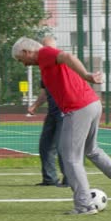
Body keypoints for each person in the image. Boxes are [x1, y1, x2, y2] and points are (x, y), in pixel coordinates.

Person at [12, 37, 111, 215]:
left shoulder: (44, 53)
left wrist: (87, 76)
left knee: (70, 157)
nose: (23, 64)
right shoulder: (44, 61)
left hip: (79, 108)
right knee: (91, 150)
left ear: (27, 52)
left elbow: (68, 56)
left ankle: (84, 205)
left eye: (21, 59)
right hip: (91, 104)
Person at [28, 37, 67, 187]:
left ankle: (69, 180)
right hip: (52, 112)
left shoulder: (63, 65)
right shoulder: (44, 69)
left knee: (63, 147)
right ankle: (49, 179)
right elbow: (45, 92)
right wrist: (35, 105)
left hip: (65, 111)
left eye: (50, 49)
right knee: (45, 145)